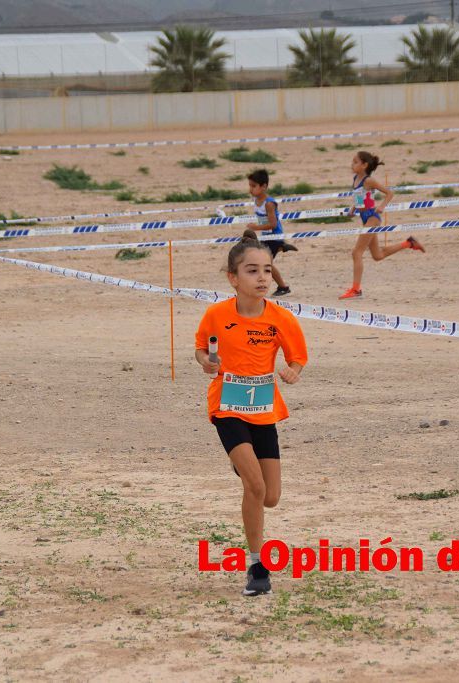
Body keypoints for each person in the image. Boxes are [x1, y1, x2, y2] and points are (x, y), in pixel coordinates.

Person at [195, 234, 308, 596]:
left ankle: (241, 464)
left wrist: (293, 371)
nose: (262, 278)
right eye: (252, 271)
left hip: (263, 409)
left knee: (270, 496)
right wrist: (208, 363)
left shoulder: (281, 318)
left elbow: (297, 358)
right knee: (254, 486)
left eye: (266, 271)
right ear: (233, 278)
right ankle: (257, 566)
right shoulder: (216, 314)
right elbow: (201, 350)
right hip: (227, 406)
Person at [339, 151, 425, 300]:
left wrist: (382, 206)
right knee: (377, 255)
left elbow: (389, 193)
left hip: (373, 218)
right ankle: (409, 243)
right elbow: (360, 197)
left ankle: (356, 289)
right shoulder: (355, 178)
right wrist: (354, 208)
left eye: (355, 162)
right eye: (352, 161)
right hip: (364, 218)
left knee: (356, 252)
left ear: (364, 165)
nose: (352, 165)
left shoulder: (368, 180)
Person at [243, 168, 297, 297]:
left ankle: (283, 287)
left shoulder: (269, 204)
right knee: (264, 262)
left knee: (265, 263)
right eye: (250, 185)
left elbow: (273, 224)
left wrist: (255, 228)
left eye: (254, 186)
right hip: (267, 237)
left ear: (264, 187)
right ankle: (281, 247)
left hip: (274, 236)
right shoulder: (256, 200)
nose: (251, 189)